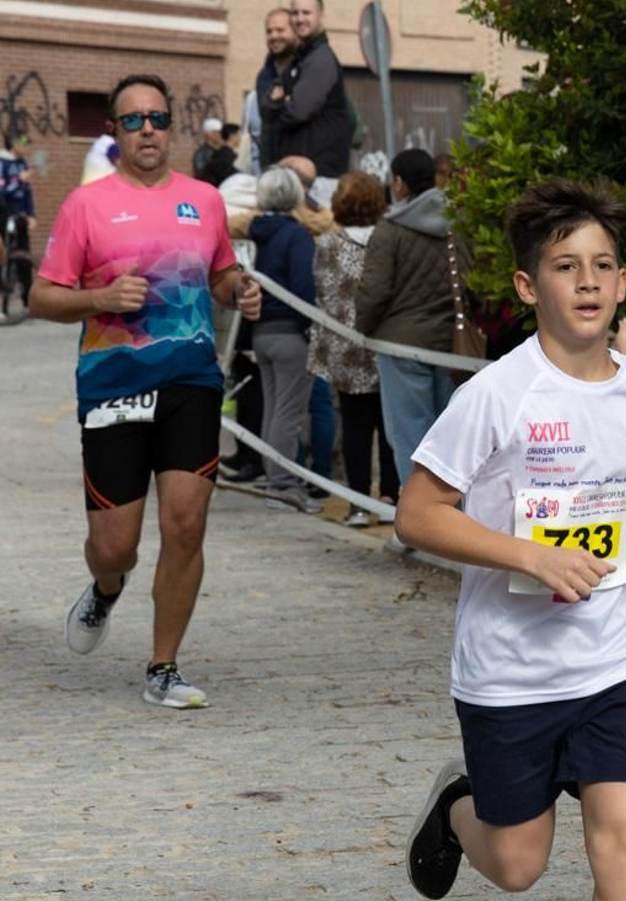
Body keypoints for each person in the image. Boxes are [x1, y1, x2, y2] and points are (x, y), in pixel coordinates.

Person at [395, 179, 626, 901]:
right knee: (517, 865)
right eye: (565, 265)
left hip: (611, 661)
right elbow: (416, 513)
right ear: (526, 285)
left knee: (624, 854)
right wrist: (529, 556)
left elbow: (621, 459)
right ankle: (455, 807)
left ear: (621, 284)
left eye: (602, 266)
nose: (586, 281)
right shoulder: (495, 397)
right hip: (509, 671)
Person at [28, 73, 262, 708]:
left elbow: (218, 273)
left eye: (157, 118)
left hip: (190, 378)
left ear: (172, 125)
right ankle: (105, 588)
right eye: (132, 122)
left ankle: (163, 666)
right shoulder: (86, 205)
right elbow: (40, 295)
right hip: (113, 383)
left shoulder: (203, 200)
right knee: (116, 546)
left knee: (185, 524)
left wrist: (238, 286)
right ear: (114, 132)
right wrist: (99, 298)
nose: (148, 131)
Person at [356, 148, 458, 490]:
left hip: (400, 343)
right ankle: (454, 519)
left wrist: (363, 329)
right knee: (451, 435)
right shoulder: (459, 223)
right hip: (451, 344)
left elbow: (375, 290)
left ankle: (417, 522)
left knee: (409, 434)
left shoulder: (390, 229)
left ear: (399, 183)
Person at [310, 171, 399, 524]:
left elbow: (323, 292)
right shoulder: (389, 239)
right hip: (386, 342)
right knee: (389, 425)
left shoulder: (328, 244)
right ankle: (392, 496)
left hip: (344, 346)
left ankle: (359, 502)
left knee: (355, 427)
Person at [247, 166, 322, 514]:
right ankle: (284, 486)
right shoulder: (296, 235)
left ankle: (273, 480)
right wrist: (310, 323)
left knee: (274, 408)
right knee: (290, 413)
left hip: (261, 331)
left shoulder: (257, 233)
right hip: (290, 333)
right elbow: (304, 289)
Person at [268, 0, 351, 200]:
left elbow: (298, 111)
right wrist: (280, 102)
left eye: (306, 12)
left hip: (319, 176)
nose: (299, 19)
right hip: (302, 174)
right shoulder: (300, 58)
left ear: (321, 16)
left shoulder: (320, 59)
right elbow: (267, 105)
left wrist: (282, 103)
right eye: (295, 13)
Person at [249, 8, 298, 174]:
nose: (274, 36)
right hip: (271, 171)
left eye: (280, 30)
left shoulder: (309, 70)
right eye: (269, 31)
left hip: (306, 171)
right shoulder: (264, 76)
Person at [0, 133, 37, 302]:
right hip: (5, 214)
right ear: (13, 142)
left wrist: (31, 215)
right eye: (23, 142)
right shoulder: (2, 162)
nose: (26, 146)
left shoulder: (22, 163)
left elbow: (27, 193)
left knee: (24, 257)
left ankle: (27, 300)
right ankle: (3, 302)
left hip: (20, 216)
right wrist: (18, 181)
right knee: (3, 255)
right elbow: (2, 191)